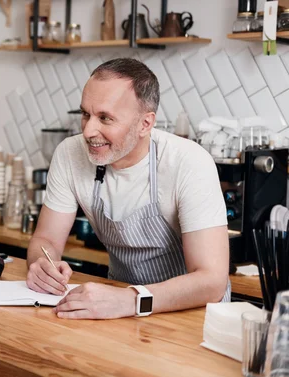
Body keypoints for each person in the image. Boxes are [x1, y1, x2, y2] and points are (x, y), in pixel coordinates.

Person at [26, 58, 230, 320]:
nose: (89, 131)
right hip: (119, 310)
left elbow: (211, 281)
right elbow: (46, 240)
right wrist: (41, 264)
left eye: (105, 118)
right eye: (85, 114)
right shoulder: (70, 154)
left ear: (145, 124)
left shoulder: (189, 162)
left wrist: (131, 299)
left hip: (192, 316)